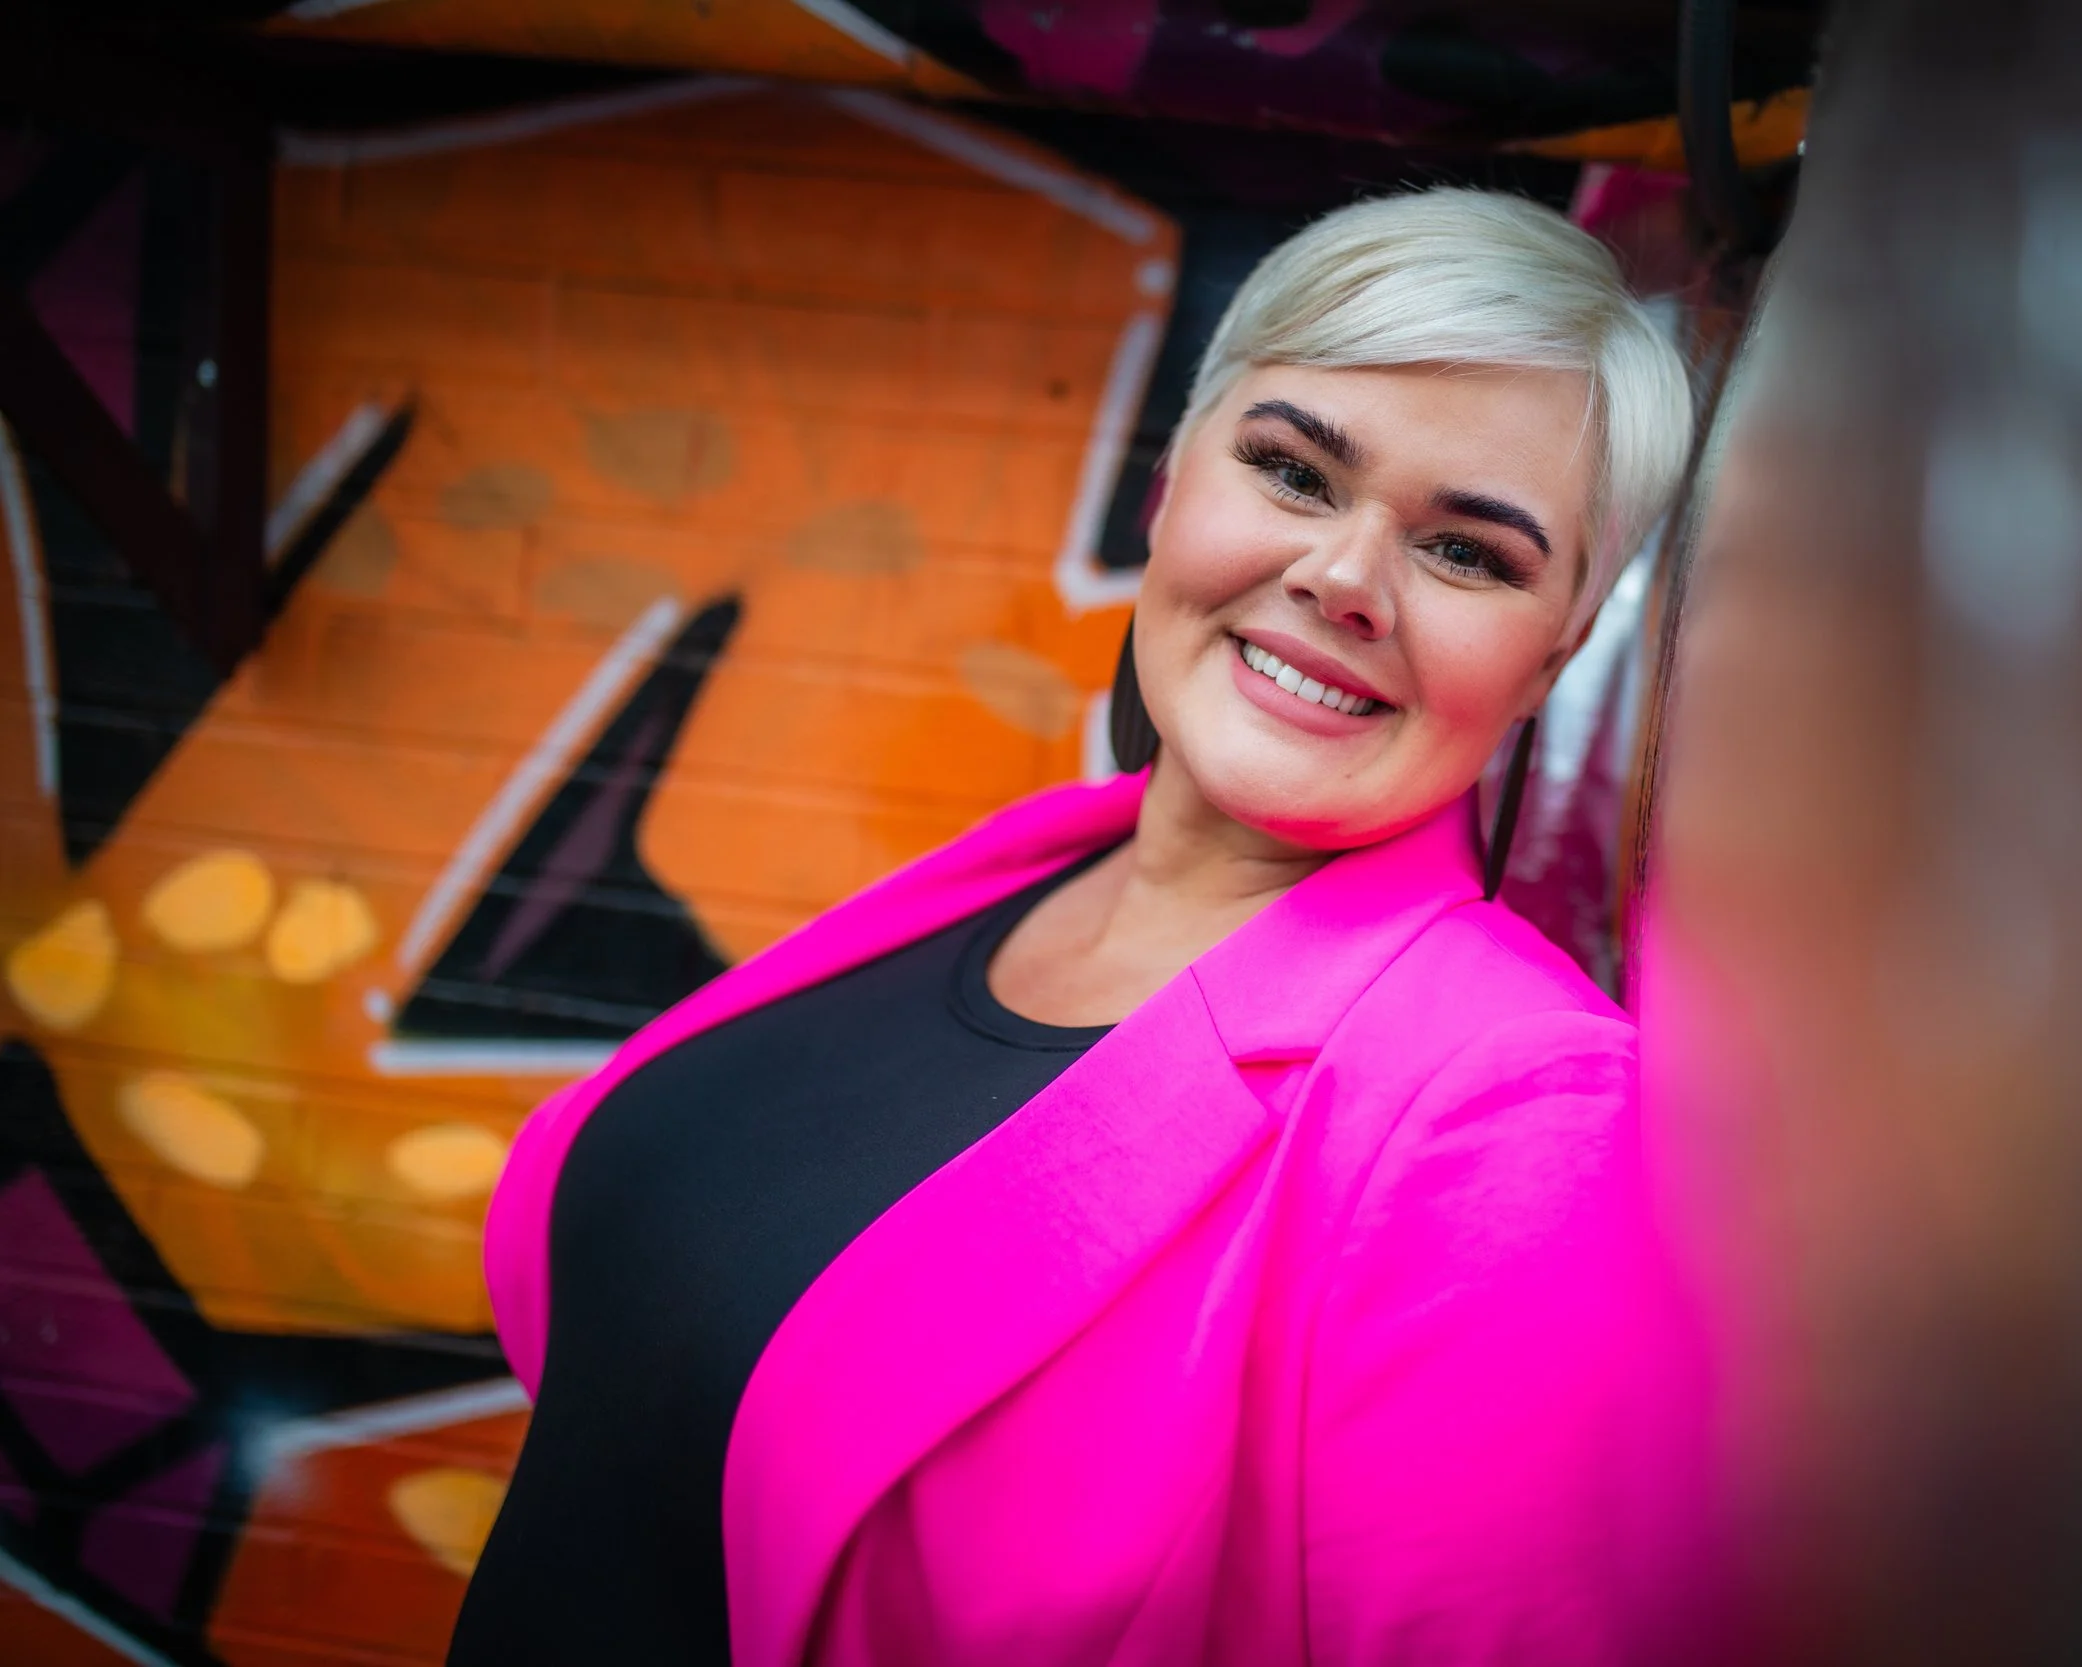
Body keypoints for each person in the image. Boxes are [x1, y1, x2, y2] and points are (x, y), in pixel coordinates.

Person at [451, 187, 1698, 1666]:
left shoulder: (1514, 1118)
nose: (1344, 580)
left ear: (1553, 655)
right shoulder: (1016, 874)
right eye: (1293, 470)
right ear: (1172, 483)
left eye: (1469, 554)